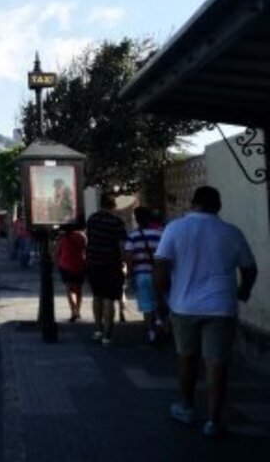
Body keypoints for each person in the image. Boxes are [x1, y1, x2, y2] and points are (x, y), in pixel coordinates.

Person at [155, 186, 258, 438]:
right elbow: (250, 268)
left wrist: (163, 302)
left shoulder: (175, 229)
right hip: (221, 307)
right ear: (218, 206)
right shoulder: (231, 232)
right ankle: (213, 420)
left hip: (183, 306)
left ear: (193, 203)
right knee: (217, 363)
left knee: (186, 358)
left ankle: (186, 407)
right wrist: (243, 291)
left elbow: (161, 267)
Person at [85, 193, 128, 347]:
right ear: (114, 205)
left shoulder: (92, 219)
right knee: (109, 298)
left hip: (93, 263)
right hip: (111, 264)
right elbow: (122, 245)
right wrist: (124, 262)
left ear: (101, 204)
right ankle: (107, 336)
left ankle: (98, 329)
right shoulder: (117, 222)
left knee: (97, 296)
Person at [124, 206, 164, 345]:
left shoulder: (132, 236)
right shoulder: (160, 234)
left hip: (141, 274)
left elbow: (129, 256)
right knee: (160, 300)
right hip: (158, 273)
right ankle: (160, 322)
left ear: (136, 219)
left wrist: (130, 273)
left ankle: (151, 333)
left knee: (146, 305)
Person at [53, 226, 86, 322]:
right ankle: (78, 310)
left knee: (69, 289)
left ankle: (73, 310)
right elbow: (86, 249)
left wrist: (56, 261)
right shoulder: (82, 236)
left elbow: (56, 252)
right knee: (78, 289)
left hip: (66, 265)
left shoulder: (62, 238)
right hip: (80, 264)